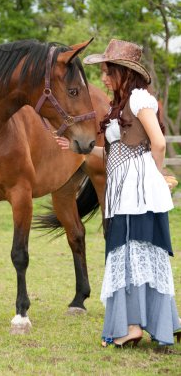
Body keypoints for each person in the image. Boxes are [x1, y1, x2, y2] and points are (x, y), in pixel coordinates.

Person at [56, 39, 181, 347]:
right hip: (124, 191)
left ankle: (134, 327)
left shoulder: (139, 98)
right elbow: (116, 155)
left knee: (133, 253)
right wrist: (80, 149)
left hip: (138, 193)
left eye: (107, 71)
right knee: (128, 254)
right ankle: (141, 325)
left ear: (124, 72)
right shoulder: (121, 105)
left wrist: (155, 176)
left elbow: (159, 142)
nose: (103, 78)